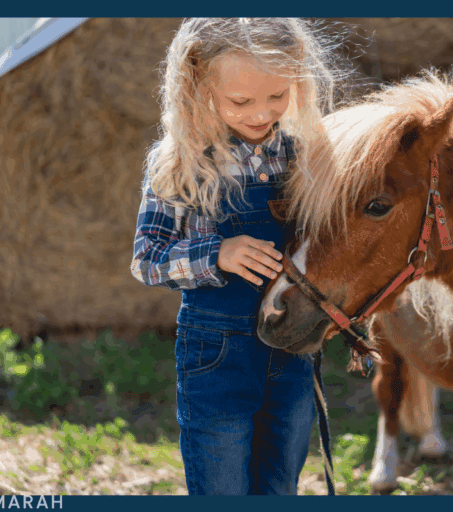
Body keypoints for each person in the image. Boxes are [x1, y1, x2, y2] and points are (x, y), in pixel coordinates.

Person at [130, 18, 348, 495]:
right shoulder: (183, 162)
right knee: (222, 480)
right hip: (216, 353)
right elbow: (147, 258)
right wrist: (218, 253)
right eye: (241, 102)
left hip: (291, 348)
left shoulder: (302, 155)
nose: (261, 113)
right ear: (198, 86)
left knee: (279, 480)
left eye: (277, 96)